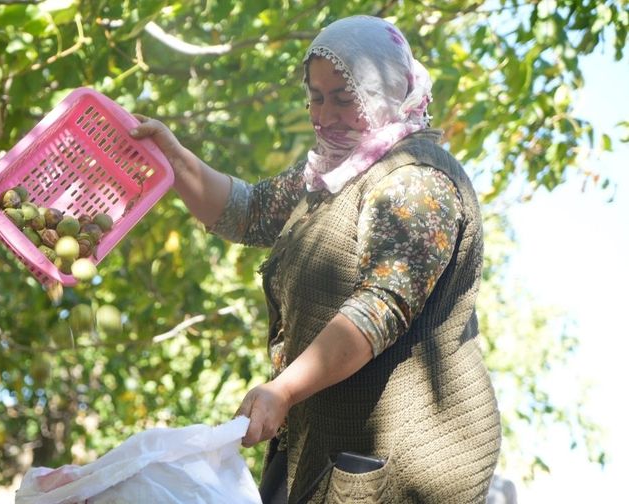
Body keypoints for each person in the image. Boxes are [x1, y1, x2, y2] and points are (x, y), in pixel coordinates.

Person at [130, 15, 501, 504]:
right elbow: (246, 210)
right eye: (316, 97)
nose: (325, 114)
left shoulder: (417, 181)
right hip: (323, 444)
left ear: (385, 92)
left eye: (344, 98)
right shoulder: (329, 174)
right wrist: (171, 158)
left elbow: (380, 308)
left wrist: (282, 390)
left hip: (406, 456)